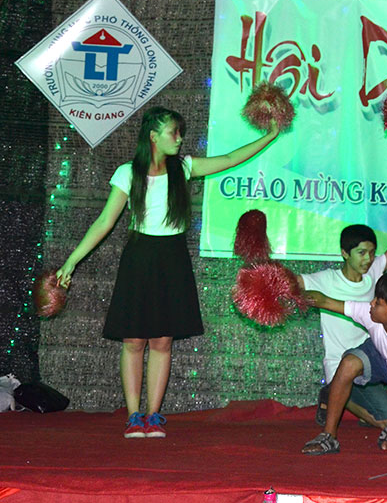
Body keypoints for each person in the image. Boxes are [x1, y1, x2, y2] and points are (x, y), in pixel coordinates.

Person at [55, 106, 281, 438]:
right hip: (139, 257)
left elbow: (231, 158)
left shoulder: (184, 168)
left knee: (162, 340)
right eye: (172, 132)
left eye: (179, 132)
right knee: (134, 340)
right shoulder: (127, 173)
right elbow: (104, 222)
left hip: (172, 258)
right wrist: (71, 261)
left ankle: (153, 415)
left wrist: (270, 135)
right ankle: (134, 416)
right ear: (153, 136)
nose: (179, 138)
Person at [301, 271, 387, 455]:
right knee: (349, 364)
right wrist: (295, 296)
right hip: (380, 358)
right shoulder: (371, 314)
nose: (371, 303)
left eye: (378, 302)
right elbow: (325, 301)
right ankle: (328, 436)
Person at [296, 224, 387, 431]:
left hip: (368, 365)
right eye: (361, 253)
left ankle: (348, 398)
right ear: (344, 253)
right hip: (340, 368)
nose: (368, 259)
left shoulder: (374, 271)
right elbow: (290, 282)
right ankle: (332, 392)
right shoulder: (326, 279)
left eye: (372, 253)